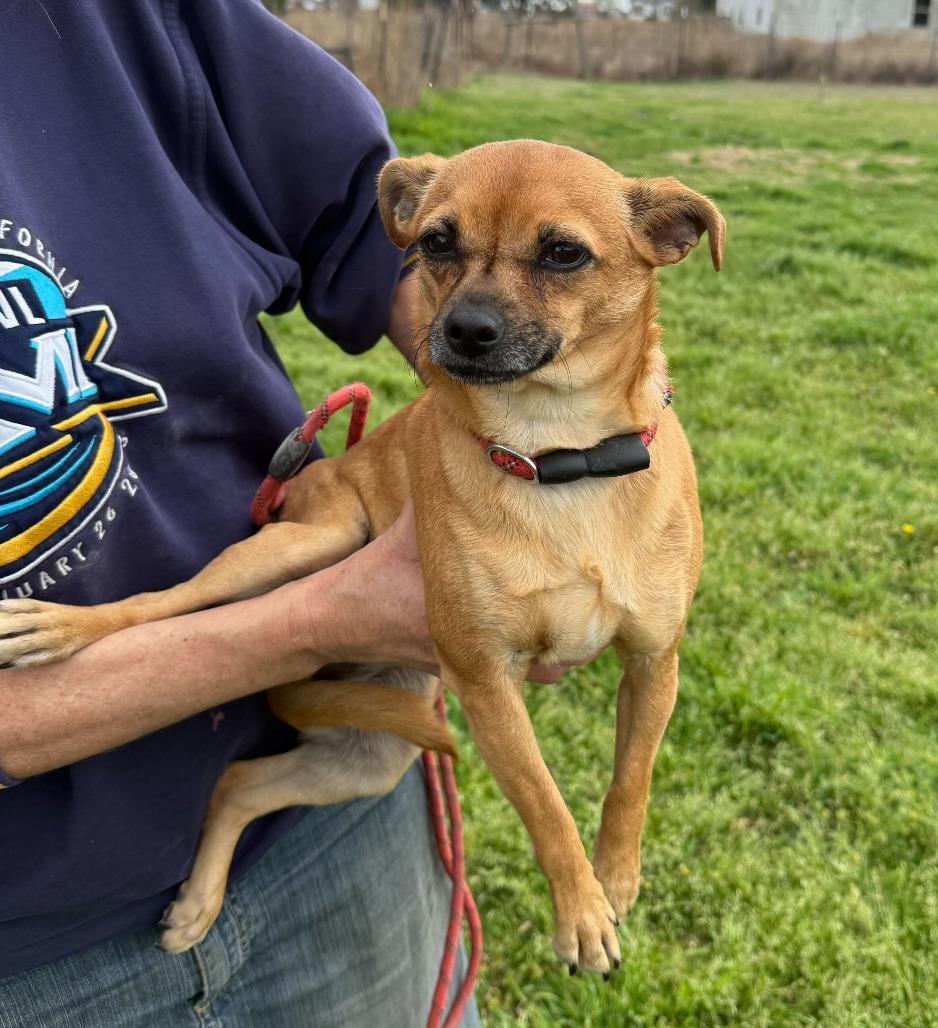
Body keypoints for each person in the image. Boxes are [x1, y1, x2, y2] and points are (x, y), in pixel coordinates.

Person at [0, 1, 481, 1023]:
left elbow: (366, 206)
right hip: (38, 966)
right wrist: (336, 614)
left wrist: (561, 430)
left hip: (318, 823)